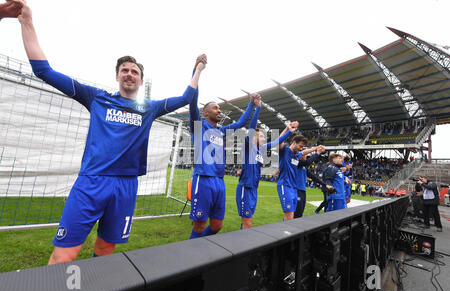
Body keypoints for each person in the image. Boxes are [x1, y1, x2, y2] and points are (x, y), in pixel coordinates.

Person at [13, 1, 206, 264]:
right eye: (124, 70)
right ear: (117, 76)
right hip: (91, 182)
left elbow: (187, 97)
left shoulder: (148, 108)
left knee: (105, 253)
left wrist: (197, 70)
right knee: (63, 257)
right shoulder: (95, 98)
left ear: (140, 79)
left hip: (126, 186)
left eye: (134, 71)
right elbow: (43, 70)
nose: (129, 74)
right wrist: (27, 22)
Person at [188, 70, 255, 239]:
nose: (219, 111)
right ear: (206, 113)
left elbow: (240, 123)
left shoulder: (221, 131)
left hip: (219, 181)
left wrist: (251, 104)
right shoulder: (199, 126)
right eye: (215, 108)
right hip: (203, 179)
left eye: (219, 108)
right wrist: (197, 70)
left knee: (217, 226)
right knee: (199, 224)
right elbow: (192, 99)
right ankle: (191, 257)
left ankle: (201, 245)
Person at [236, 102, 297, 229]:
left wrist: (288, 131)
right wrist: (258, 108)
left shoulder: (261, 149)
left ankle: (243, 244)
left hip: (253, 189)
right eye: (261, 135)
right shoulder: (248, 147)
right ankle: (244, 246)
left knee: (248, 222)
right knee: (248, 222)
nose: (264, 138)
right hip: (245, 188)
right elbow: (252, 128)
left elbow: (276, 142)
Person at [277, 135, 321, 221]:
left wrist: (316, 148)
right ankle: (286, 233)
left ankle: (288, 232)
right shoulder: (285, 151)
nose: (301, 149)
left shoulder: (296, 156)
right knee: (289, 215)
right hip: (285, 185)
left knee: (292, 215)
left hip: (293, 188)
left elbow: (304, 152)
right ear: (294, 143)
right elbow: (278, 142)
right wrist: (288, 130)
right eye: (300, 146)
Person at [294, 145, 327, 218]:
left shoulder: (304, 167)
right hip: (296, 190)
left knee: (300, 212)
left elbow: (314, 177)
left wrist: (324, 184)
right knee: (295, 213)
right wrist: (317, 153)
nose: (305, 156)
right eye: (304, 154)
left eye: (306, 155)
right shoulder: (296, 163)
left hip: (302, 190)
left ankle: (295, 227)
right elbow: (307, 162)